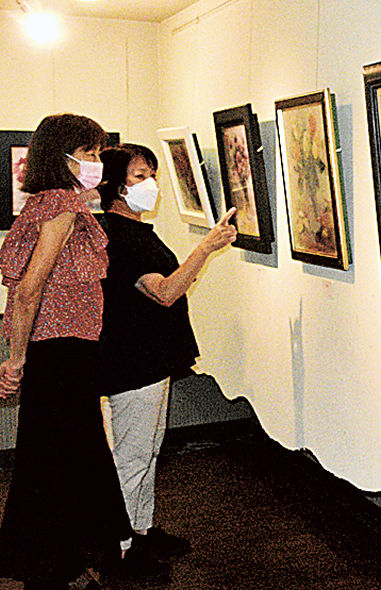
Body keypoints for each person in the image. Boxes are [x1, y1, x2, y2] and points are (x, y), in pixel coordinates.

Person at [0, 114, 131, 590]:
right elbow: (29, 289)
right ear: (62, 157)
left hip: (59, 350)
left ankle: (59, 562)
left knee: (55, 456)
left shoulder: (44, 202)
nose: (97, 162)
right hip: (60, 352)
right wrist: (15, 360)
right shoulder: (60, 204)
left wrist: (19, 355)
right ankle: (53, 564)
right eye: (89, 153)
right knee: (63, 456)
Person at [95, 143, 236, 564]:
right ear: (117, 186)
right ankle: (119, 548)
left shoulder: (134, 231)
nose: (151, 184)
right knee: (132, 456)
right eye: (140, 176)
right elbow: (166, 292)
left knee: (148, 450)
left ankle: (141, 530)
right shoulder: (119, 236)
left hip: (149, 359)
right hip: (133, 362)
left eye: (152, 174)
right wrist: (205, 248)